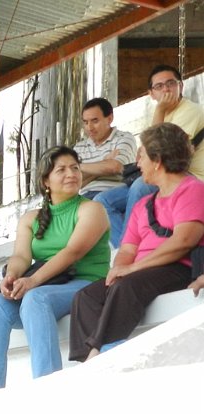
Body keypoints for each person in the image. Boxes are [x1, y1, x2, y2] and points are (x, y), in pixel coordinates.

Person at [0, 146, 110, 390]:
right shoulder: (31, 218)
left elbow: (73, 252)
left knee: (35, 298)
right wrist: (12, 276)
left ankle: (48, 387)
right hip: (48, 285)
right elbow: (21, 256)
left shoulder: (93, 209)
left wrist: (32, 281)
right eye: (61, 170)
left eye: (75, 168)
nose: (71, 174)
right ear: (46, 180)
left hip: (88, 284)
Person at [70, 122, 204, 361]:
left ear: (157, 160)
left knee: (126, 286)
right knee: (86, 296)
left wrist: (132, 269)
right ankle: (87, 360)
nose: (137, 163)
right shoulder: (143, 204)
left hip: (179, 267)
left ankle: (100, 356)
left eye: (141, 156)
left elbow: (184, 240)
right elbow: (127, 249)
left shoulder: (192, 189)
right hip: (143, 272)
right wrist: (120, 269)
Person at [95, 65, 204, 247]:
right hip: (163, 175)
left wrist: (159, 110)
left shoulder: (190, 110)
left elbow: (161, 150)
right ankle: (126, 247)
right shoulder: (164, 113)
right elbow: (146, 151)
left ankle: (130, 249)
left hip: (188, 177)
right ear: (151, 94)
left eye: (171, 83)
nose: (166, 89)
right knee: (102, 201)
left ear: (181, 86)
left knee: (140, 186)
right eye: (159, 86)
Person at [73, 97, 137, 199]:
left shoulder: (124, 138)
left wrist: (77, 166)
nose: (89, 127)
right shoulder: (79, 147)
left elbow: (116, 167)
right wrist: (104, 161)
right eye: (85, 122)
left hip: (116, 193)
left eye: (95, 121)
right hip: (85, 197)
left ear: (109, 119)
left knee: (99, 200)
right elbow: (77, 183)